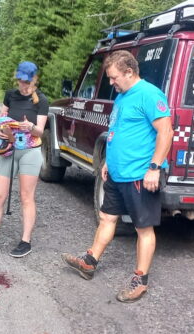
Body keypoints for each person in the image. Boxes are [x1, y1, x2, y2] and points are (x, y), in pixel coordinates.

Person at [60, 50, 173, 303]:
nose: (111, 83)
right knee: (107, 217)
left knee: (143, 228)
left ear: (129, 72)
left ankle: (140, 280)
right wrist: (108, 162)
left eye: (113, 78)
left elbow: (166, 132)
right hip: (118, 173)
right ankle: (89, 262)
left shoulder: (149, 95)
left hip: (140, 175)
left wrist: (154, 168)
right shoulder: (122, 97)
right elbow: (118, 131)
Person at [0, 61, 49, 258]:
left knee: (26, 196)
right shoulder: (10, 95)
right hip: (8, 148)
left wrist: (29, 126)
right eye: (19, 80)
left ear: (33, 79)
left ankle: (25, 241)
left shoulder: (41, 100)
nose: (21, 84)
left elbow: (41, 130)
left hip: (30, 151)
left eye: (25, 81)